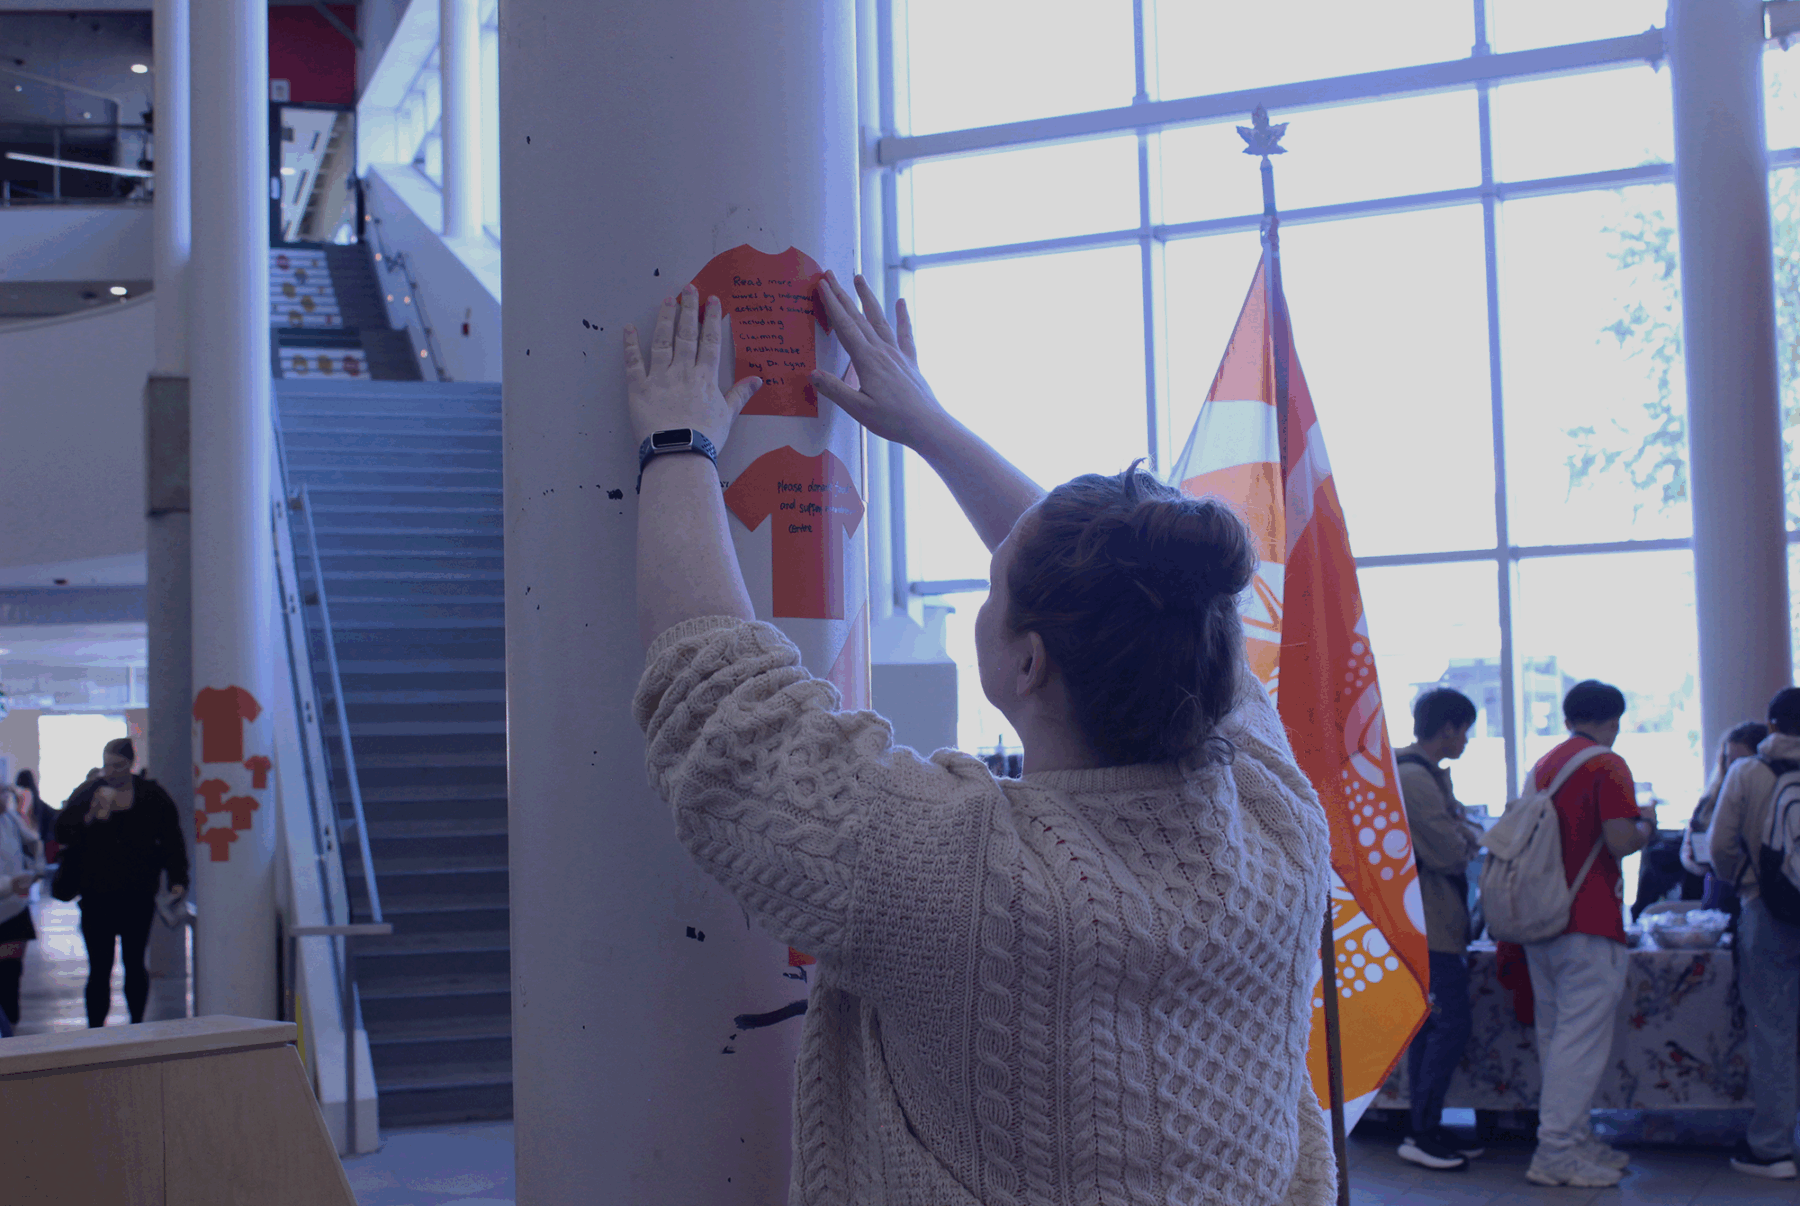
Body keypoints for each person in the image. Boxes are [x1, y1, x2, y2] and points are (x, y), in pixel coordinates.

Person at [625, 277, 1336, 1204]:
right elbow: (1137, 596)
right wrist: (930, 425)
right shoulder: (1279, 816)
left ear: (1029, 663)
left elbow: (719, 702)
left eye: (994, 589)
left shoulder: (958, 876)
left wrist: (677, 445)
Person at [1521, 680, 1655, 1188]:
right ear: (1612, 719)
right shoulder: (1606, 763)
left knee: (1557, 1038)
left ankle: (1572, 1139)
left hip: (1540, 916)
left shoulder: (1546, 764)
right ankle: (1557, 1150)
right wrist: (1646, 826)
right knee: (1580, 1042)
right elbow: (1620, 841)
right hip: (1590, 916)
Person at [1706, 687, 1800, 1181]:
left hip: (1769, 909)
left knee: (1775, 1028)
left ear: (1771, 725)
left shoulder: (1747, 772)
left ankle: (1773, 1148)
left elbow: (1719, 845)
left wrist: (1748, 882)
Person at [1393, 687, 1485, 1172]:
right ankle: (1421, 1131)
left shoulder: (1421, 775)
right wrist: (1466, 843)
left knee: (1435, 1027)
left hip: (1435, 921)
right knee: (1447, 1025)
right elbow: (1450, 850)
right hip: (1430, 925)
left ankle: (1424, 1125)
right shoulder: (1415, 778)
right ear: (1447, 728)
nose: (1466, 739)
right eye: (1464, 729)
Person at [53, 738, 188, 1027]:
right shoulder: (89, 791)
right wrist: (91, 815)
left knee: (135, 963)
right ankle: (96, 1030)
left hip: (137, 894)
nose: (112, 771)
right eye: (107, 765)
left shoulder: (151, 795)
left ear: (131, 764)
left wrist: (178, 879)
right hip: (96, 895)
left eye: (119, 765)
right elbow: (62, 830)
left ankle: (137, 1022)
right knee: (99, 967)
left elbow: (171, 839)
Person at [1682, 721, 1766, 916]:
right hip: (1717, 892)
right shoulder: (1710, 799)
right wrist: (1696, 860)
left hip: (1753, 894)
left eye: (1742, 761)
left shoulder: (1768, 799)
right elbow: (1687, 852)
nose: (1733, 767)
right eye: (1729, 759)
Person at [0, 785, 46, 1031]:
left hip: (14, 912)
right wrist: (9, 884)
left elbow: (33, 841)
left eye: (4, 793)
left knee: (10, 977)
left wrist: (36, 866)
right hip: (9, 901)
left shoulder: (10, 818)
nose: (3, 799)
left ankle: (10, 1031)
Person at [12, 770, 56, 865]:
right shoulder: (33, 794)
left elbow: (21, 813)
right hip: (35, 832)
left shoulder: (25, 793)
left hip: (27, 831)